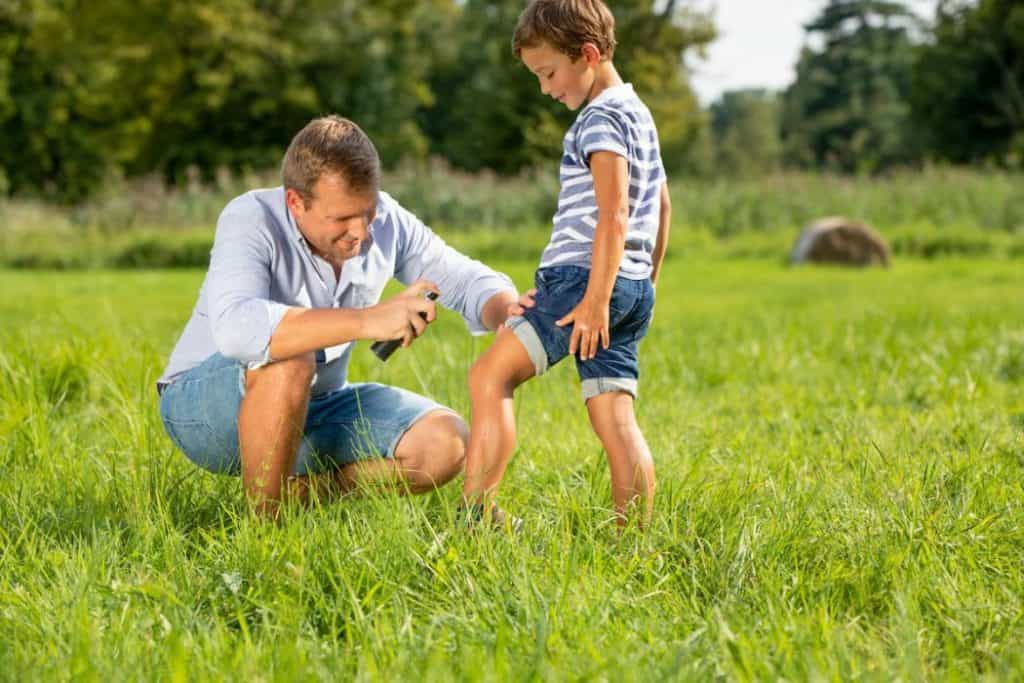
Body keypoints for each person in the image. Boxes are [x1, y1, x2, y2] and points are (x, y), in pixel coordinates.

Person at [157, 115, 529, 518]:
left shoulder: (385, 220)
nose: (361, 232)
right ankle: (264, 531)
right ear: (296, 202)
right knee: (289, 355)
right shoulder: (250, 217)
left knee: (445, 444)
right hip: (205, 410)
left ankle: (303, 494)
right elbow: (237, 329)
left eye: (366, 212)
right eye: (341, 219)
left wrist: (508, 311)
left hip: (316, 402)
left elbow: (462, 277)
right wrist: (368, 320)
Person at [461, 0, 671, 528]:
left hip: (582, 281)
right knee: (616, 417)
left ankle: (475, 515)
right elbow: (662, 206)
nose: (546, 88)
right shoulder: (638, 115)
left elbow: (613, 213)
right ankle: (635, 538)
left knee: (490, 378)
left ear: (589, 55)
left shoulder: (599, 118)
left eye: (549, 72)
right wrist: (642, 283)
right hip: (630, 286)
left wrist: (597, 299)